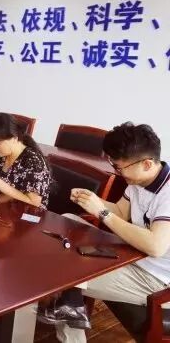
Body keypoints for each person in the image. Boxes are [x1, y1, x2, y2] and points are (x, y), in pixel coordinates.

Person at [41, 122, 170, 342]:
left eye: (119, 167)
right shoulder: (139, 180)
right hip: (131, 254)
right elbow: (119, 211)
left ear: (147, 163)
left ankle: (70, 307)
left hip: (155, 279)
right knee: (69, 220)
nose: (117, 172)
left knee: (60, 273)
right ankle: (72, 305)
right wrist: (93, 201)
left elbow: (155, 247)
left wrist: (101, 211)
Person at [0, 113, 52, 208]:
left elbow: (34, 203)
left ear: (14, 138)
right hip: (1, 208)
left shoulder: (33, 162)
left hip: (27, 213)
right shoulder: (1, 157)